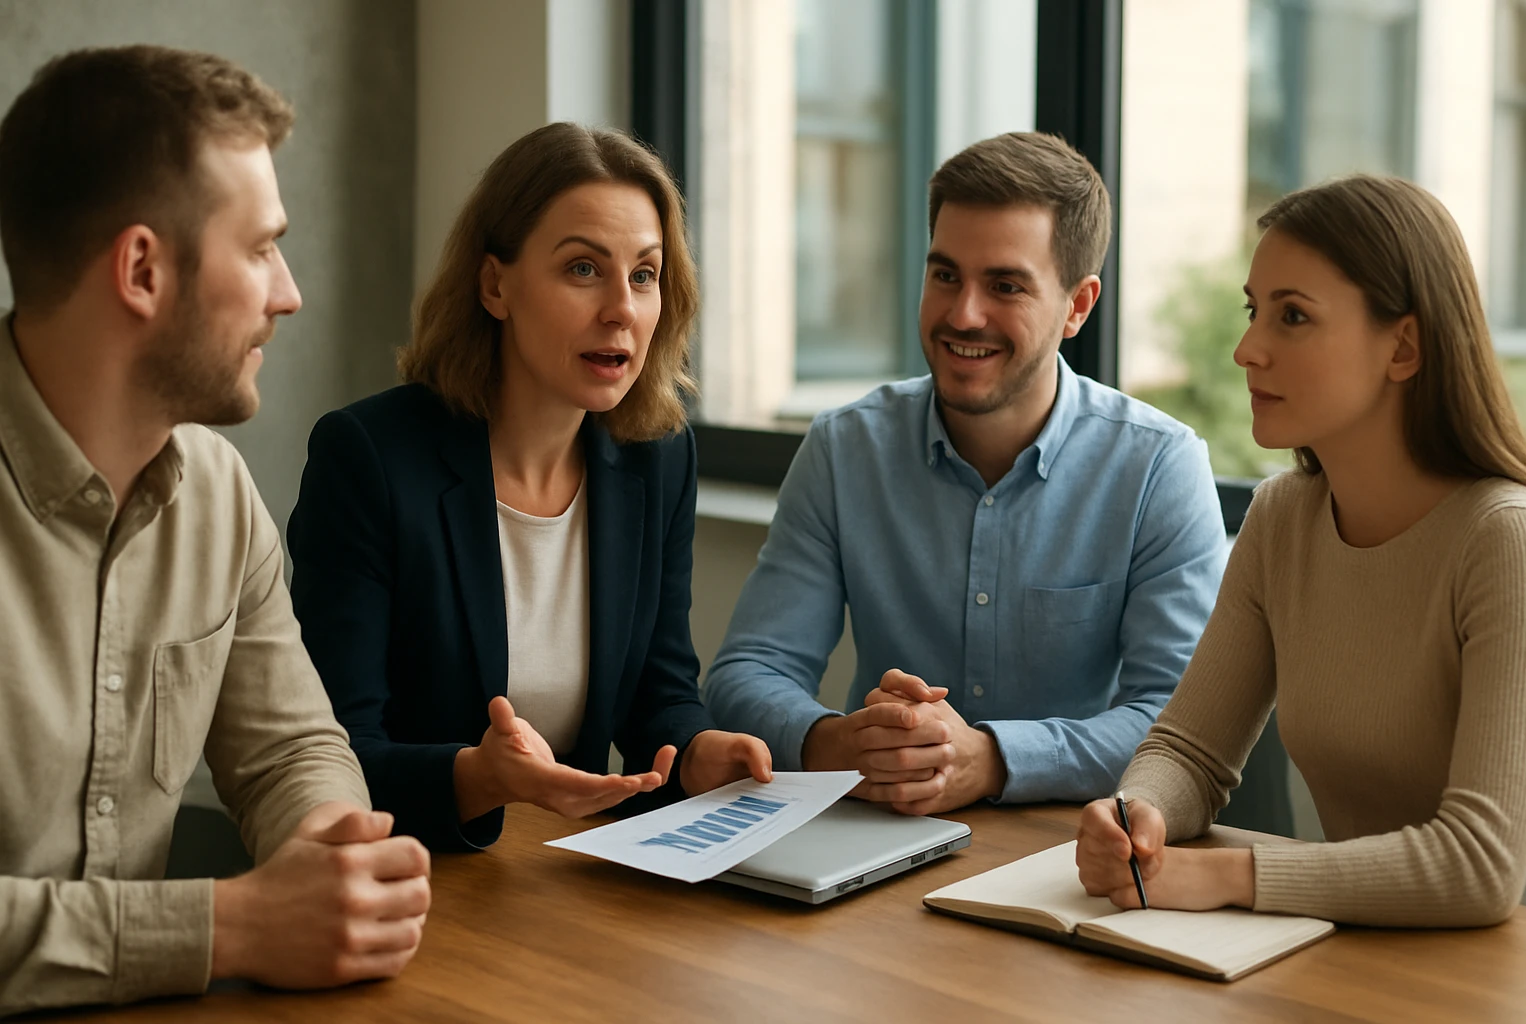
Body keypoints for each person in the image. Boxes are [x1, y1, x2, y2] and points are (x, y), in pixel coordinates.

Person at [0, 46, 431, 1017]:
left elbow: (291, 751)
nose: (289, 293)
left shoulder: (220, 496)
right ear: (142, 268)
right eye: (261, 246)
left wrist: (336, 859)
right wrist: (229, 926)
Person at [704, 132, 1227, 816]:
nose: (962, 314)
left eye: (1005, 285)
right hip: (877, 839)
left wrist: (991, 759)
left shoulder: (1159, 466)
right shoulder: (844, 448)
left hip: (1068, 855)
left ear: (1078, 306)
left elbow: (1178, 729)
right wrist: (840, 743)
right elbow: (748, 671)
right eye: (945, 275)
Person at [287, 123, 772, 853]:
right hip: (419, 871)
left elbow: (658, 692)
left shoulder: (658, 457)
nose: (622, 308)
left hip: (569, 871)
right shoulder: (368, 458)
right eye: (583, 269)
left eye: (644, 275)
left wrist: (697, 749)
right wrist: (479, 777)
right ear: (494, 285)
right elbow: (330, 755)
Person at [1076, 175, 1526, 928]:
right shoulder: (1283, 517)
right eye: (1255, 311)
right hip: (1348, 957)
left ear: (1405, 346)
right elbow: (1190, 750)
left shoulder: (1508, 540)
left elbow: (1478, 865)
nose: (1246, 349)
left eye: (1293, 316)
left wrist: (1221, 876)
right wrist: (1138, 815)